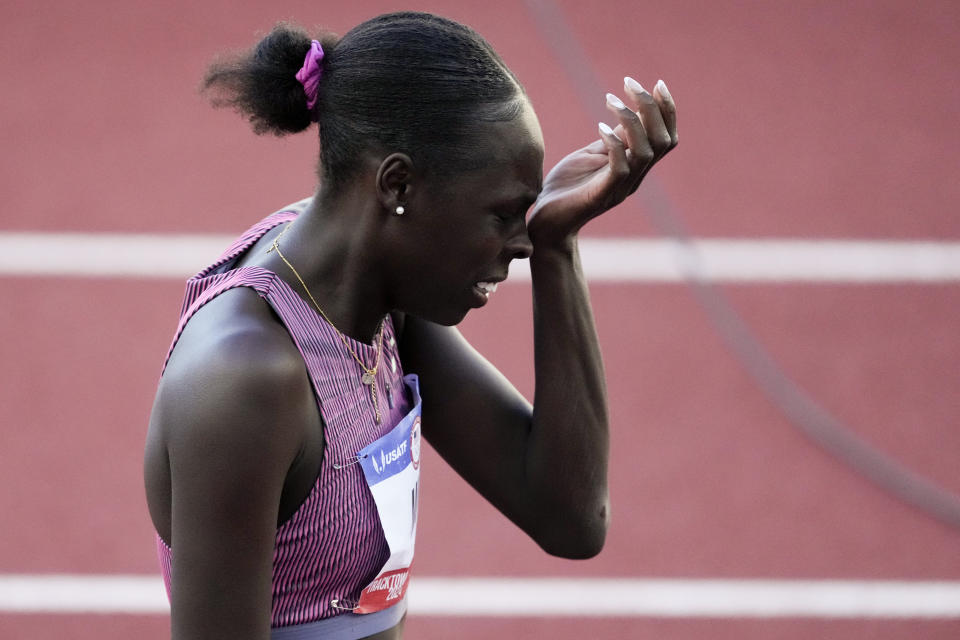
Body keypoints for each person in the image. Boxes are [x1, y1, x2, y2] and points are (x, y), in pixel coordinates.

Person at [143, 10, 677, 640]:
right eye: (505, 214)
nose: (520, 243)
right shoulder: (249, 383)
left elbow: (570, 516)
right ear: (398, 184)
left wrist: (558, 244)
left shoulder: (374, 296)